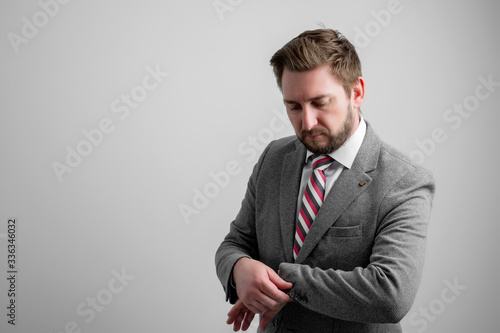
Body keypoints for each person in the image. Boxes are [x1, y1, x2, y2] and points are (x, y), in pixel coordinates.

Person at [215, 28, 435, 333]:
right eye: (293, 106)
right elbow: (235, 243)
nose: (306, 122)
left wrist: (284, 284)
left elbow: (391, 296)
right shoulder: (273, 158)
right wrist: (239, 268)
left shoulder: (405, 181)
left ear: (356, 93)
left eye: (320, 103)